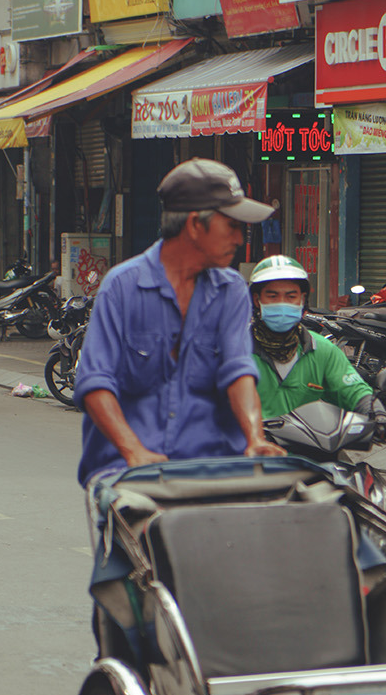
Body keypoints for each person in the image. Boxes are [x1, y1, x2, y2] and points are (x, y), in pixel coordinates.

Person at [74, 159, 284, 485]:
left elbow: (238, 371)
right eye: (231, 226)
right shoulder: (122, 287)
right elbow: (95, 381)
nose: (239, 239)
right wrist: (133, 452)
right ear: (195, 225)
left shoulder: (231, 291)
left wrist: (255, 437)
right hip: (126, 469)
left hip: (210, 464)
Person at [250, 254, 386, 445]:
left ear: (302, 300)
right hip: (249, 460)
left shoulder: (322, 350)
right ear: (257, 300)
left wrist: (379, 417)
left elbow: (354, 391)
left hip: (312, 458)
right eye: (272, 296)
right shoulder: (235, 351)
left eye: (291, 296)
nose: (282, 303)